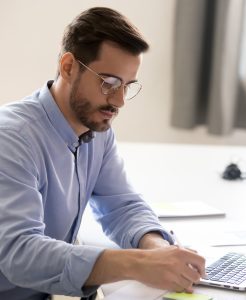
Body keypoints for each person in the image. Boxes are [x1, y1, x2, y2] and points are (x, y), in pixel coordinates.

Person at [0, 7, 206, 300]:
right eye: (109, 83)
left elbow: (121, 206)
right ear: (69, 66)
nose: (119, 101)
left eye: (127, 86)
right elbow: (20, 254)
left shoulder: (97, 129)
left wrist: (159, 249)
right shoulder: (11, 139)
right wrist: (139, 264)